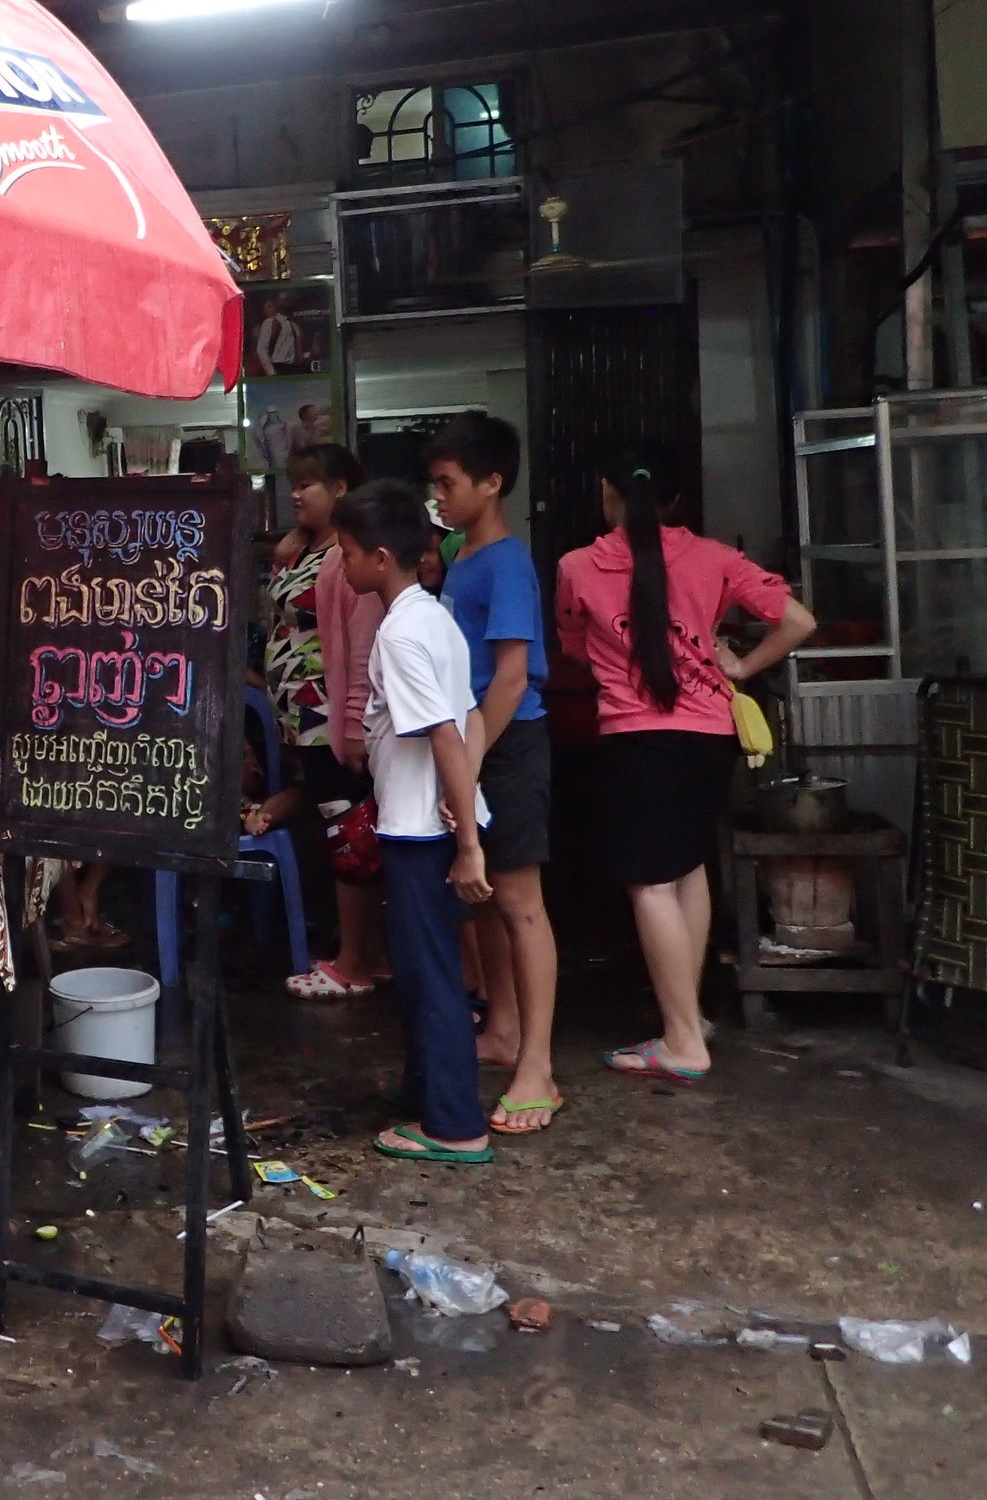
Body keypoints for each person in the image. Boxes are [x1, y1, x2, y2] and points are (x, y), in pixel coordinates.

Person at [556, 446, 817, 1084]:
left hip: (639, 739)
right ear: (674, 502)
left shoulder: (578, 566)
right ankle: (689, 1015)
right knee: (686, 869)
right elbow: (799, 620)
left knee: (649, 883)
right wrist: (741, 666)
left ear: (607, 491)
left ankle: (681, 1042)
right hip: (708, 734)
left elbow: (574, 645)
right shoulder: (715, 558)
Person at [332, 480, 494, 1167]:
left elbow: (444, 736)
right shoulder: (435, 614)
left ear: (376, 556)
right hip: (435, 817)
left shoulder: (400, 632)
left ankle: (457, 1125)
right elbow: (473, 716)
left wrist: (467, 844)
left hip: (422, 831)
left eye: (343, 551)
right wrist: (466, 801)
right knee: (426, 967)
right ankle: (425, 1090)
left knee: (429, 975)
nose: (340, 564)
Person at [425, 414, 560, 1134]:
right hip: (475, 745)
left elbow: (510, 678)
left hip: (506, 744)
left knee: (519, 902)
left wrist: (469, 761)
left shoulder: (507, 561)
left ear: (492, 482)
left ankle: (537, 1065)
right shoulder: (462, 556)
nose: (439, 496)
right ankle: (504, 1029)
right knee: (483, 903)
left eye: (448, 483)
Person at [251, 443, 388, 1000]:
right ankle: (362, 952)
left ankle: (355, 961)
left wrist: (350, 724)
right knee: (336, 826)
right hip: (302, 717)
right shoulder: (308, 550)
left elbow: (359, 648)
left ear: (340, 489)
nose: (295, 493)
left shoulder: (350, 557)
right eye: (293, 483)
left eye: (308, 484)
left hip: (329, 715)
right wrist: (287, 553)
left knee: (347, 829)